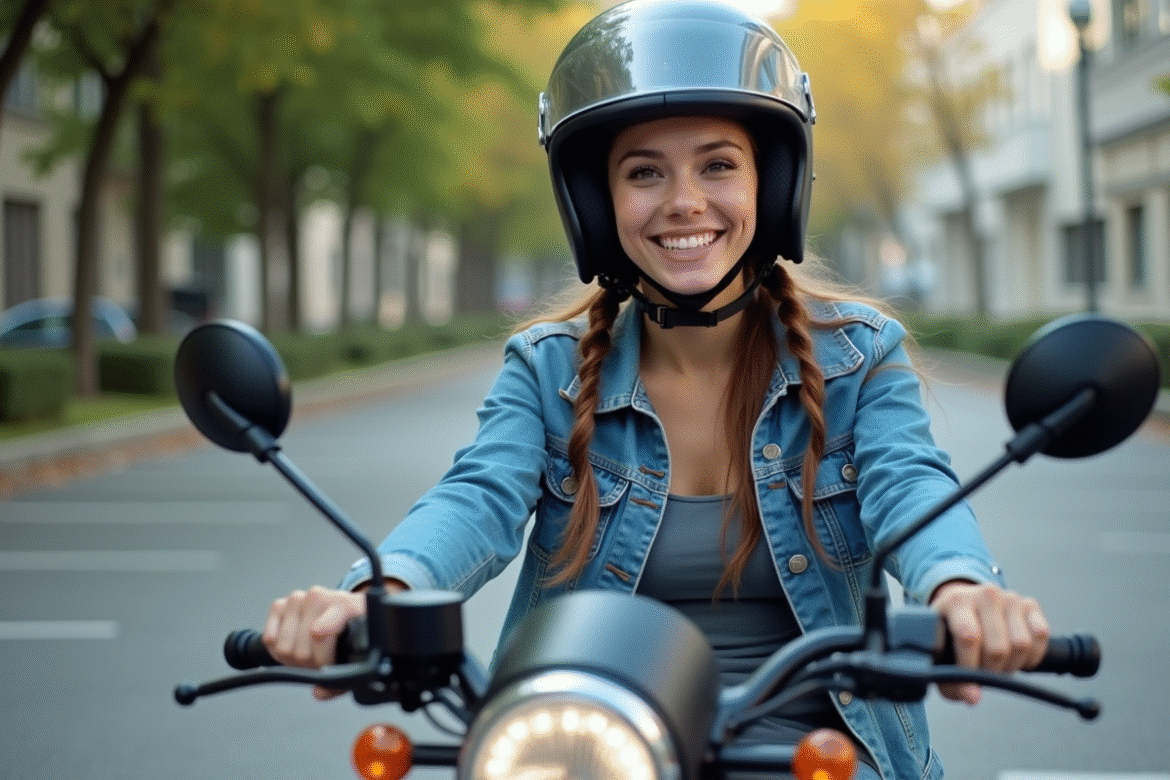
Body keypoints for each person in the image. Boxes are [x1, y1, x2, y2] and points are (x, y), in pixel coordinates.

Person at [261, 1, 1051, 778]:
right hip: (583, 749)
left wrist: (959, 587)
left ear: (773, 183)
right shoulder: (548, 368)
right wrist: (379, 590)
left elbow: (910, 485)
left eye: (718, 165)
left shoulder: (859, 358)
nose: (683, 201)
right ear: (596, 203)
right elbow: (475, 498)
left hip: (820, 754)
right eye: (645, 172)